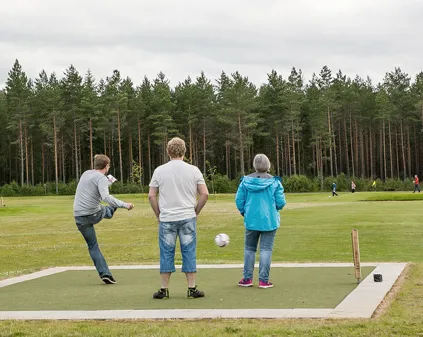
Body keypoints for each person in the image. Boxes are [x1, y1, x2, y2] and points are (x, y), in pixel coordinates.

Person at [148, 137, 209, 299]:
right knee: (189, 251)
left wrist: (158, 214)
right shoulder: (194, 170)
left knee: (166, 252)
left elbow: (151, 196)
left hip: (167, 217)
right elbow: (204, 194)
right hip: (187, 216)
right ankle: (191, 288)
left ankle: (164, 289)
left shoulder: (159, 171)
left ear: (168, 152)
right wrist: (196, 211)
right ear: (184, 151)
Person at [73, 154, 134, 285]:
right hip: (93, 214)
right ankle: (111, 211)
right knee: (107, 209)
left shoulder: (86, 173)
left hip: (78, 216)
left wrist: (107, 183)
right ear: (106, 166)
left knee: (93, 246)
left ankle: (105, 274)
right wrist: (124, 205)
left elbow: (94, 189)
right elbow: (106, 197)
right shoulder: (101, 178)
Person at [235, 154, 286, 289]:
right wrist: (275, 208)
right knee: (266, 250)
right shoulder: (275, 182)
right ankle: (263, 281)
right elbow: (281, 202)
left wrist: (244, 212)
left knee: (249, 249)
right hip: (269, 220)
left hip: (251, 219)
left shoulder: (245, 181)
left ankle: (247, 279)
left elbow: (239, 200)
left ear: (254, 165)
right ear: (268, 165)